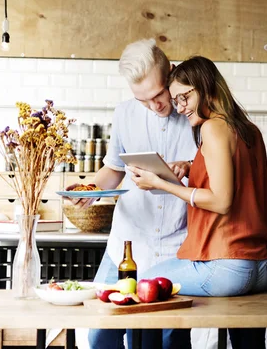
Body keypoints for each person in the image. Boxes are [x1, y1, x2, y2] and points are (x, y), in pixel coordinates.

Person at [126, 55, 267, 348]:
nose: (180, 107)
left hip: (228, 266)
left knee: (145, 284)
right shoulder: (248, 129)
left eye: (185, 97)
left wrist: (159, 183)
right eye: (176, 99)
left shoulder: (212, 127)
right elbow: (232, 174)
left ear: (207, 88)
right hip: (261, 269)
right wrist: (189, 165)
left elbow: (221, 201)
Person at [67, 38, 197, 349]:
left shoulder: (196, 115)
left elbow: (213, 172)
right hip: (126, 246)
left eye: (159, 94)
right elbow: (113, 170)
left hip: (177, 249)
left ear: (172, 74)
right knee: (101, 336)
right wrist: (91, 190)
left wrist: (189, 166)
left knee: (169, 342)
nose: (156, 106)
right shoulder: (125, 114)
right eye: (143, 100)